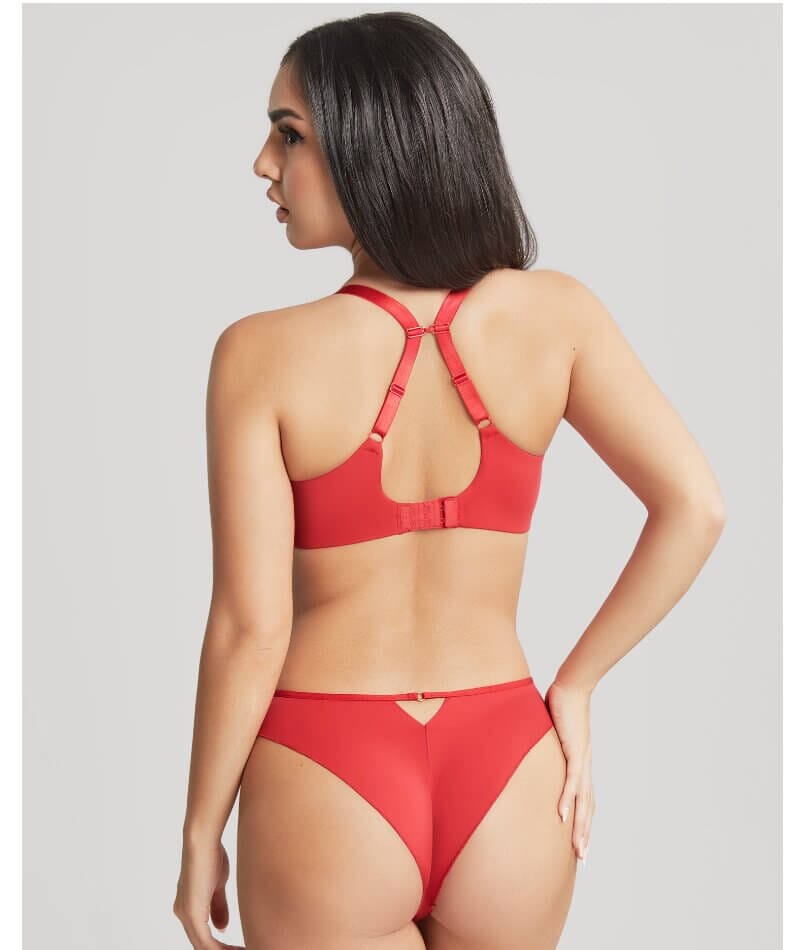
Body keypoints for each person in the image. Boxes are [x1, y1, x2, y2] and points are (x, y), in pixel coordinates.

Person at [173, 11, 726, 950]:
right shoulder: (558, 317)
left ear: (374, 140)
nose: (263, 165)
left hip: (328, 771)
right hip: (512, 769)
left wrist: (199, 832)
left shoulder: (259, 355)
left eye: (289, 134)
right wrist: (576, 687)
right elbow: (698, 507)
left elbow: (249, 628)